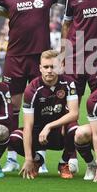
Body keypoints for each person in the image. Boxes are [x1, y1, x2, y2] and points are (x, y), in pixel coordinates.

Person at [0, 0, 70, 172]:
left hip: (40, 60)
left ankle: (38, 156)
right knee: (13, 107)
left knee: (42, 107)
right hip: (14, 59)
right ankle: (12, 157)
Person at [8, 50, 79, 179]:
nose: (49, 70)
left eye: (53, 67)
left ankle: (63, 163)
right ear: (40, 68)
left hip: (59, 134)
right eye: (46, 67)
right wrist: (28, 158)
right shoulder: (32, 89)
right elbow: (28, 126)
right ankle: (37, 160)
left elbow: (74, 114)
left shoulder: (69, 83)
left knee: (75, 130)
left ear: (61, 67)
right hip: (38, 135)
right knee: (14, 138)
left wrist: (49, 126)